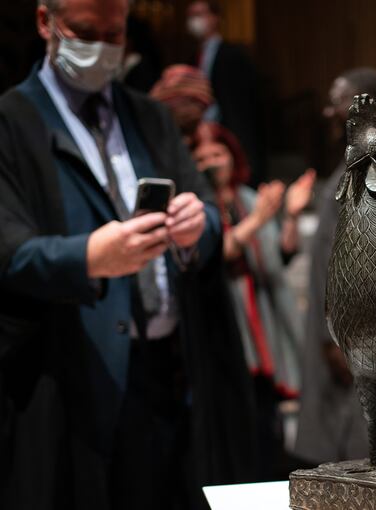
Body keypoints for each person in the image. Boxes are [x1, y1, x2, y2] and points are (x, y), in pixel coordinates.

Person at [0, 1, 257, 508]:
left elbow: (207, 213)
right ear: (44, 22)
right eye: (85, 31)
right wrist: (88, 257)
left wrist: (196, 224)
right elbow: (9, 253)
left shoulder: (150, 116)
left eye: (113, 33)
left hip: (170, 373)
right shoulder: (11, 121)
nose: (99, 47)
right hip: (71, 382)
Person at [294, 67, 376, 465]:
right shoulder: (357, 154)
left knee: (365, 450)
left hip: (359, 335)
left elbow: (374, 256)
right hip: (342, 331)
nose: (330, 113)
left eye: (340, 105)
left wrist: (343, 336)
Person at [192, 121, 314, 478]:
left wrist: (289, 214)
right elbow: (219, 252)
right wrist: (261, 217)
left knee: (267, 426)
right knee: (233, 428)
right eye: (201, 157)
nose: (211, 162)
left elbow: (284, 251)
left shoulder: (247, 198)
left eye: (217, 153)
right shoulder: (198, 205)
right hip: (224, 327)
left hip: (263, 324)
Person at [186, 0, 267, 185]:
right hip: (203, 137)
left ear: (215, 18)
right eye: (190, 16)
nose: (194, 21)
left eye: (199, 14)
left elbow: (245, 109)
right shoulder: (192, 59)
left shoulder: (233, 56)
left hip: (232, 136)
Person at [150, 64, 213, 143]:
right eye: (184, 102)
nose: (188, 111)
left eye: (192, 102)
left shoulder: (214, 138)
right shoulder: (153, 140)